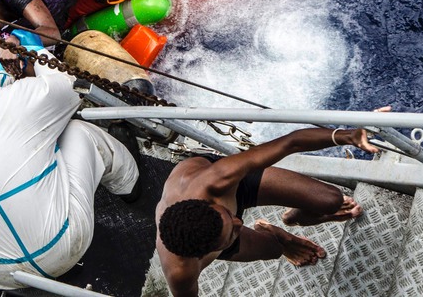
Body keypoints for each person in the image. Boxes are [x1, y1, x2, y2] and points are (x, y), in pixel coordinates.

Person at [0, 35, 140, 290]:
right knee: (78, 131)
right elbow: (67, 87)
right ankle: (130, 184)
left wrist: (4, 75)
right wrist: (31, 49)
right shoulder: (18, 98)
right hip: (60, 248)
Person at [155, 126, 379, 296]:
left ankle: (295, 217)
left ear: (209, 203)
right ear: (204, 255)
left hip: (235, 187)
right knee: (273, 249)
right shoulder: (181, 272)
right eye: (232, 235)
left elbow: (291, 142)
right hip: (213, 226)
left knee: (330, 200)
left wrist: (345, 136)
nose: (240, 223)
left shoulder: (217, 179)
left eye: (231, 218)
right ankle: (281, 236)